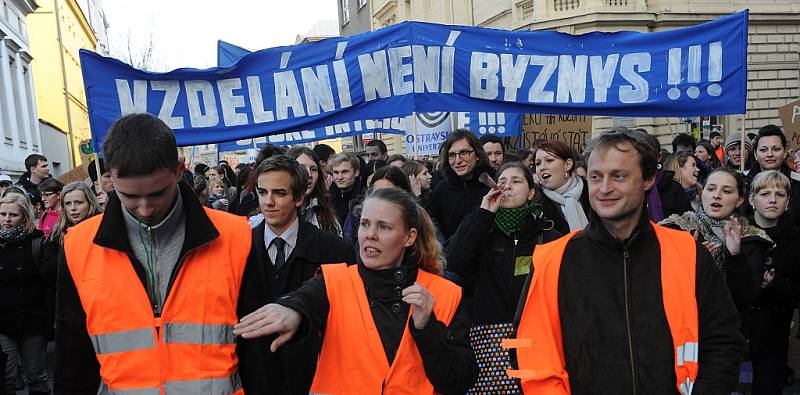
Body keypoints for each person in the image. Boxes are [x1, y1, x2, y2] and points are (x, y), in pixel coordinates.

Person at [505, 128, 744, 394]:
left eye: (618, 176)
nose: (605, 188)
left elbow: (723, 340)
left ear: (648, 179)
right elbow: (529, 354)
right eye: (596, 177)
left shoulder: (687, 252)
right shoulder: (553, 260)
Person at [54, 113, 266, 394]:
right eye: (129, 195)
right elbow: (72, 360)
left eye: (157, 193)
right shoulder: (78, 246)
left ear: (180, 170)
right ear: (110, 178)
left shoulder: (237, 237)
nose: (144, 208)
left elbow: (260, 355)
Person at [234, 187, 477, 394]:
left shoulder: (444, 293)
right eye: (365, 224)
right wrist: (292, 310)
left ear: (409, 237)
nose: (370, 235)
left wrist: (428, 330)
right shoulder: (333, 281)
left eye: (384, 227)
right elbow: (306, 300)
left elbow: (459, 380)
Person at [236, 155, 354, 394]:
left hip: (317, 380)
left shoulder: (336, 250)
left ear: (300, 198)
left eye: (279, 193)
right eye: (262, 192)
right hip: (254, 380)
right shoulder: (238, 249)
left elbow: (348, 322)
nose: (268, 202)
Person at [445, 162, 562, 393]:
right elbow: (454, 261)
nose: (507, 186)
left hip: (535, 341)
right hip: (490, 344)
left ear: (531, 192)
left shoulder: (548, 234)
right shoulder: (483, 231)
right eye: (502, 182)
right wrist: (483, 213)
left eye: (516, 181)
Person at [660, 168, 772, 309]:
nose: (717, 195)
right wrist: (693, 263)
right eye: (711, 189)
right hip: (686, 323)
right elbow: (660, 287)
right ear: (702, 193)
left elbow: (746, 298)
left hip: (732, 325)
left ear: (740, 200)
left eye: (727, 191)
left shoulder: (752, 238)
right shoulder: (676, 229)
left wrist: (735, 256)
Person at [746, 171, 800, 395]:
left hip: (774, 333)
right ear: (752, 200)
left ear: (788, 201)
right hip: (738, 332)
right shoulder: (738, 232)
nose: (772, 199)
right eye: (765, 193)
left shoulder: (796, 239)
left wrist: (774, 283)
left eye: (779, 194)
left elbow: (797, 292)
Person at [0, 194, 48, 395]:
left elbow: (47, 282)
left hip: (32, 321)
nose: (7, 219)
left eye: (13, 215)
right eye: (3, 214)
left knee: (36, 376)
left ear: (25, 216)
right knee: (7, 378)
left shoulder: (37, 242)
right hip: (3, 321)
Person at [428, 129, 493, 240]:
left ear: (477, 154)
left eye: (464, 153)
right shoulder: (440, 191)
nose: (457, 161)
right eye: (452, 155)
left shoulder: (491, 185)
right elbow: (435, 232)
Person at [747, 125, 800, 226]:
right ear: (755, 154)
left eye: (776, 149)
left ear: (785, 152)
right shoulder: (743, 185)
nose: (769, 154)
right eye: (763, 150)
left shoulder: (797, 184)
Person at [533, 140, 591, 233]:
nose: (542, 167)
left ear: (567, 164)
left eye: (549, 160)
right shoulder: (534, 202)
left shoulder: (592, 192)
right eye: (537, 163)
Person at [287, 147, 341, 236]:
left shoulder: (327, 214)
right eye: (301, 168)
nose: (309, 174)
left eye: (313, 169)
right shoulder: (274, 213)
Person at [329, 152, 363, 226]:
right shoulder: (328, 197)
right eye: (336, 172)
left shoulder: (364, 197)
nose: (340, 177)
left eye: (345, 172)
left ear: (356, 172)